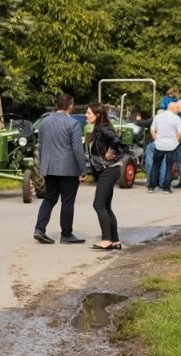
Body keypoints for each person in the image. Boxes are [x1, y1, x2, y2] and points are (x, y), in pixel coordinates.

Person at [33, 93, 87, 245]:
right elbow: (77, 149)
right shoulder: (73, 123)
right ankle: (66, 234)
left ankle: (39, 229)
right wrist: (83, 169)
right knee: (67, 201)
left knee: (49, 199)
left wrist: (43, 165)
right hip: (68, 169)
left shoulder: (44, 123)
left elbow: (40, 146)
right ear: (70, 106)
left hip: (50, 168)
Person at [85, 102, 125, 251]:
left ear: (98, 114)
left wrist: (111, 152)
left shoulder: (103, 128)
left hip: (109, 170)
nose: (86, 115)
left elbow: (116, 139)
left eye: (89, 113)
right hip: (108, 170)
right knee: (106, 206)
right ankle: (115, 240)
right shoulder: (99, 128)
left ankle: (106, 239)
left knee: (98, 204)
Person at [148, 101, 181, 193]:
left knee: (155, 165)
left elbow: (152, 130)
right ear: (171, 108)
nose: (177, 110)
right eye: (176, 108)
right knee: (169, 166)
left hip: (159, 145)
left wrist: (156, 139)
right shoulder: (176, 118)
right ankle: (166, 188)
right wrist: (177, 141)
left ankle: (151, 187)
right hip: (172, 145)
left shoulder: (158, 117)